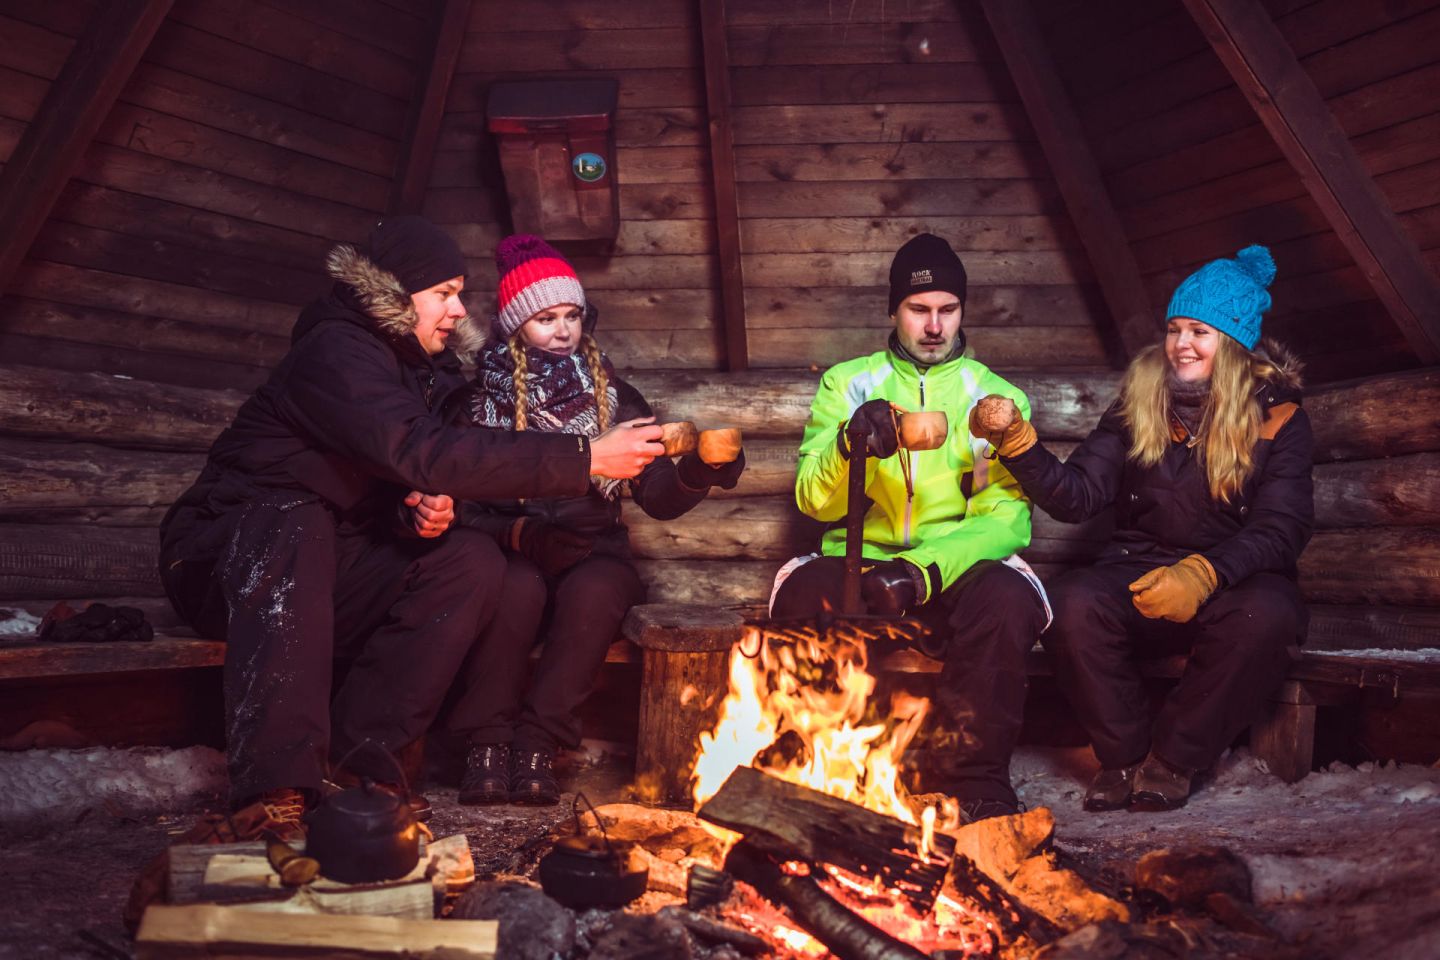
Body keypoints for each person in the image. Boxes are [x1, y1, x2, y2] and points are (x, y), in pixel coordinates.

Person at [158, 216, 663, 832]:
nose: (457, 310)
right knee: (295, 516)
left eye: (459, 293)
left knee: (469, 562)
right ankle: (278, 787)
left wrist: (413, 513)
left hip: (329, 565)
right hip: (230, 558)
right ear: (396, 297)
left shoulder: (430, 369)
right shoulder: (336, 352)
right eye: (444, 293)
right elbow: (417, 450)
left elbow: (400, 475)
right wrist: (584, 458)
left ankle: (357, 765)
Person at [971, 244, 1312, 811]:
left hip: (1233, 579)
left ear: (1232, 343)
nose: (1182, 344)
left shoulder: (1280, 418)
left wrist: (1205, 573)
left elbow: (1283, 528)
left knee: (1270, 615)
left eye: (1200, 331)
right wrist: (1019, 447)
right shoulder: (1137, 404)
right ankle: (1125, 757)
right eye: (1175, 328)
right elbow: (1078, 498)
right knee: (1070, 602)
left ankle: (1174, 760)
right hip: (1138, 569)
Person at [454, 235, 746, 806]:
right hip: (513, 547)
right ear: (516, 326)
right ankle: (486, 743)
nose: (563, 330)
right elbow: (462, 500)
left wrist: (702, 472)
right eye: (544, 318)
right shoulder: (479, 402)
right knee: (512, 589)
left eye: (571, 315)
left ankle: (540, 742)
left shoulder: (615, 397)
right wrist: (519, 533)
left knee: (595, 593)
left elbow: (656, 497)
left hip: (592, 551)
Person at [771, 233, 1049, 823]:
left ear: (962, 312)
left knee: (1007, 599)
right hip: (860, 555)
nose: (933, 326)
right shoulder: (847, 383)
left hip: (951, 562)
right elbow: (813, 503)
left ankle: (976, 781)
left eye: (947, 310)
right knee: (801, 597)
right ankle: (823, 769)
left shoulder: (996, 396)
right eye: (919, 310)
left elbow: (1005, 518)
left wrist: (923, 570)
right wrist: (852, 444)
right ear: (894, 310)